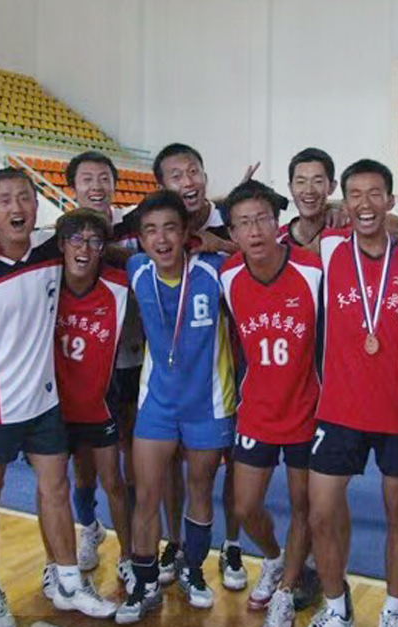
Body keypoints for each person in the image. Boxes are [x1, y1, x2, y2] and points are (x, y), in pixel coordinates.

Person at [0, 168, 117, 626]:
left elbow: (96, 229)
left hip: (45, 404)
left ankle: (68, 582)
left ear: (37, 206)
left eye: (24, 197)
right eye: (5, 200)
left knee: (56, 489)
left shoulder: (52, 252)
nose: (16, 207)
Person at [308, 159, 398, 627]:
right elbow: (268, 238)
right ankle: (336, 606)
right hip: (339, 409)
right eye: (355, 194)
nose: (365, 204)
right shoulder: (328, 245)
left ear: (391, 200)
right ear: (343, 201)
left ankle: (393, 610)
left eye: (375, 193)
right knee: (321, 513)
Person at [116, 190, 237, 623]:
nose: (161, 239)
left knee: (200, 490)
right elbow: (80, 243)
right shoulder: (135, 269)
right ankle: (145, 582)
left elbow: (261, 255)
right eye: (150, 231)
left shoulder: (215, 270)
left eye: (170, 228)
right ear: (140, 239)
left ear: (187, 233)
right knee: (146, 494)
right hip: (157, 404)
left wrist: (221, 242)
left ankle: (193, 570)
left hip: (209, 403)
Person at [219, 180, 322, 627]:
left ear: (277, 223)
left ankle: (286, 589)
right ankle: (275, 558)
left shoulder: (312, 270)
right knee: (244, 507)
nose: (255, 230)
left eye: (262, 219)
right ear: (233, 234)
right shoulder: (227, 276)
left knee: (304, 506)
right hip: (256, 411)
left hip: (307, 409)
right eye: (243, 223)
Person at [151, 143, 246, 590]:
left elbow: (263, 256)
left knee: (230, 462)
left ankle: (232, 544)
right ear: (162, 186)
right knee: (172, 464)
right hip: (173, 371)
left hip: (232, 362)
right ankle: (174, 542)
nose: (187, 181)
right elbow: (93, 238)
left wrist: (221, 244)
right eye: (176, 175)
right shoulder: (155, 223)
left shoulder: (231, 219)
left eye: (193, 171)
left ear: (205, 177)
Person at [39, 208, 134, 601]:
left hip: (98, 405)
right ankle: (54, 563)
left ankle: (128, 557)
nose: (85, 248)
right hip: (52, 409)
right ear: (62, 245)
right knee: (54, 487)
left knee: (113, 482)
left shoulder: (118, 284)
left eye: (94, 241)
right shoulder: (43, 281)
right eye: (76, 239)